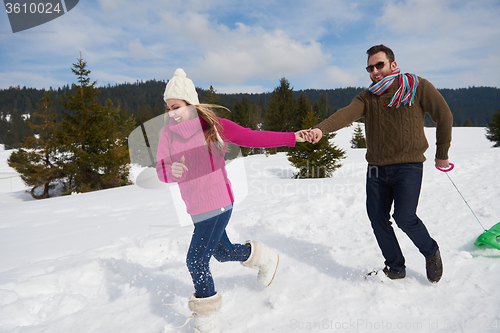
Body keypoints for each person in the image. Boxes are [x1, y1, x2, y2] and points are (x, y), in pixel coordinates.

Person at [156, 68, 307, 332]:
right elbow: (161, 169)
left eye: (176, 106)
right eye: (168, 107)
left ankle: (207, 318)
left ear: (191, 103)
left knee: (196, 260)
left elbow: (254, 136)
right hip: (195, 207)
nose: (171, 112)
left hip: (218, 203)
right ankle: (263, 257)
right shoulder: (167, 134)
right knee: (223, 252)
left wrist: (292, 137)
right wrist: (172, 171)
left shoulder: (214, 126)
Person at [306, 45, 453, 284]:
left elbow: (444, 114)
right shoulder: (368, 97)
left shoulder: (417, 87)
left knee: (405, 217)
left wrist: (442, 152)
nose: (375, 71)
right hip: (376, 168)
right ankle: (395, 267)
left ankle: (431, 251)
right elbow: (346, 114)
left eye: (379, 65)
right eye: (370, 67)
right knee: (377, 217)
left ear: (393, 65)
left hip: (409, 165)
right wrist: (321, 129)